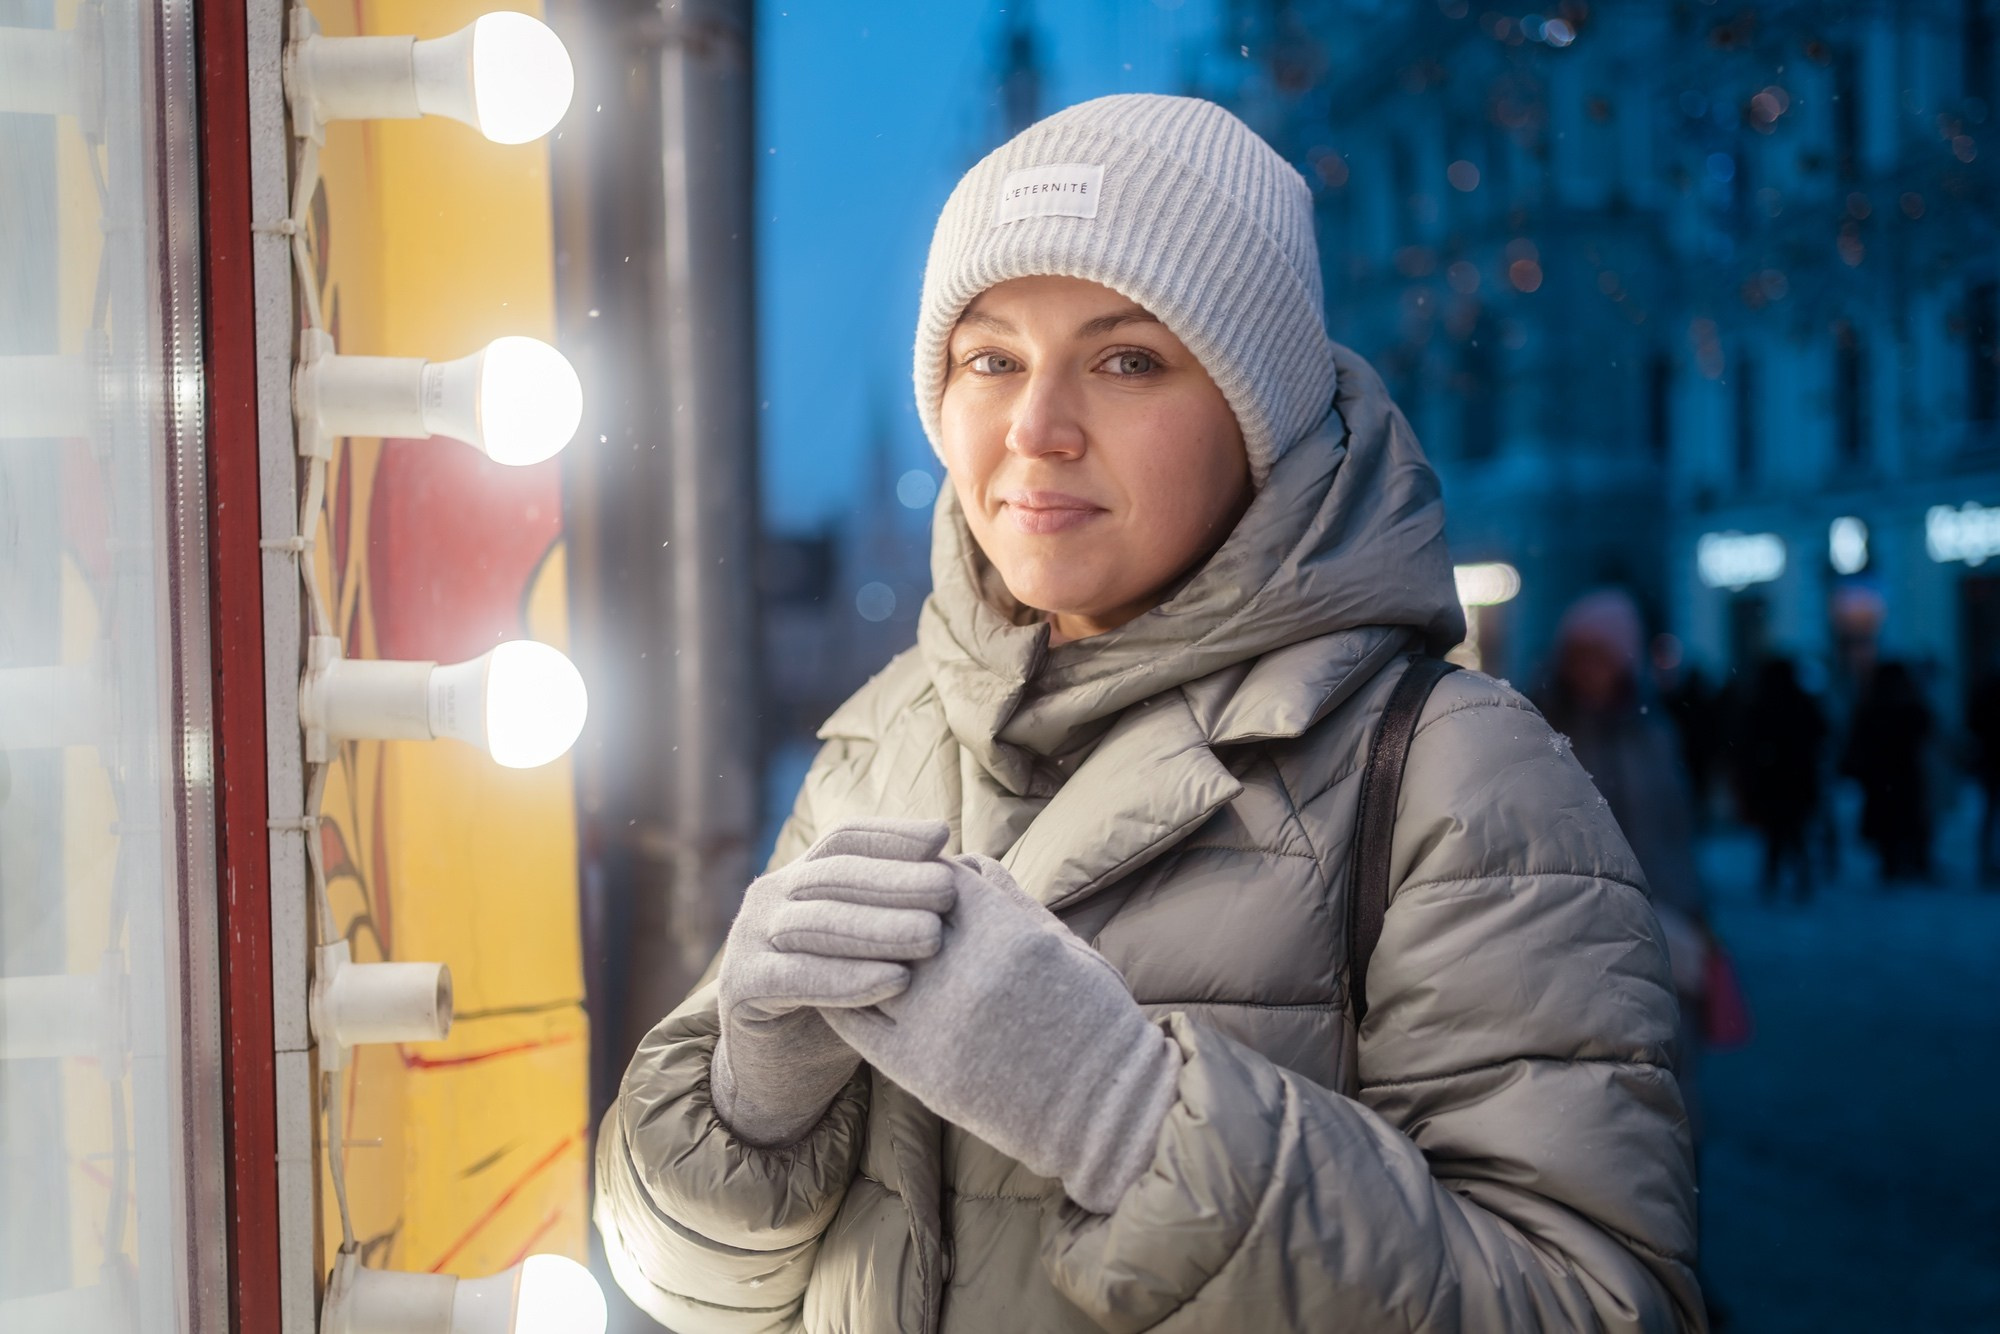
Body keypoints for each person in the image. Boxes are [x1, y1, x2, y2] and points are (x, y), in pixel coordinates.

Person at [595, 96, 1701, 1332]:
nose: (1035, 428)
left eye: (1126, 360)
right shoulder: (882, 739)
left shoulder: (1459, 775)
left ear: (1259, 409)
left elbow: (1594, 1304)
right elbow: (691, 1287)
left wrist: (1127, 1114)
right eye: (990, 359)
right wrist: (746, 1108)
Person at [1733, 657, 1829, 904]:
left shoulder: (1762, 703)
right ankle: (1795, 880)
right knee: (1793, 835)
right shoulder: (1800, 701)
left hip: (1775, 781)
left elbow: (1747, 744)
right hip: (1795, 780)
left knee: (1777, 836)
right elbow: (1819, 734)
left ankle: (1775, 880)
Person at [1842, 659, 1937, 884]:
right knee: (1900, 818)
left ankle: (1898, 861)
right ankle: (1902, 861)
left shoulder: (1875, 705)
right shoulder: (1893, 706)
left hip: (1887, 773)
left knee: (1894, 819)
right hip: (1894, 773)